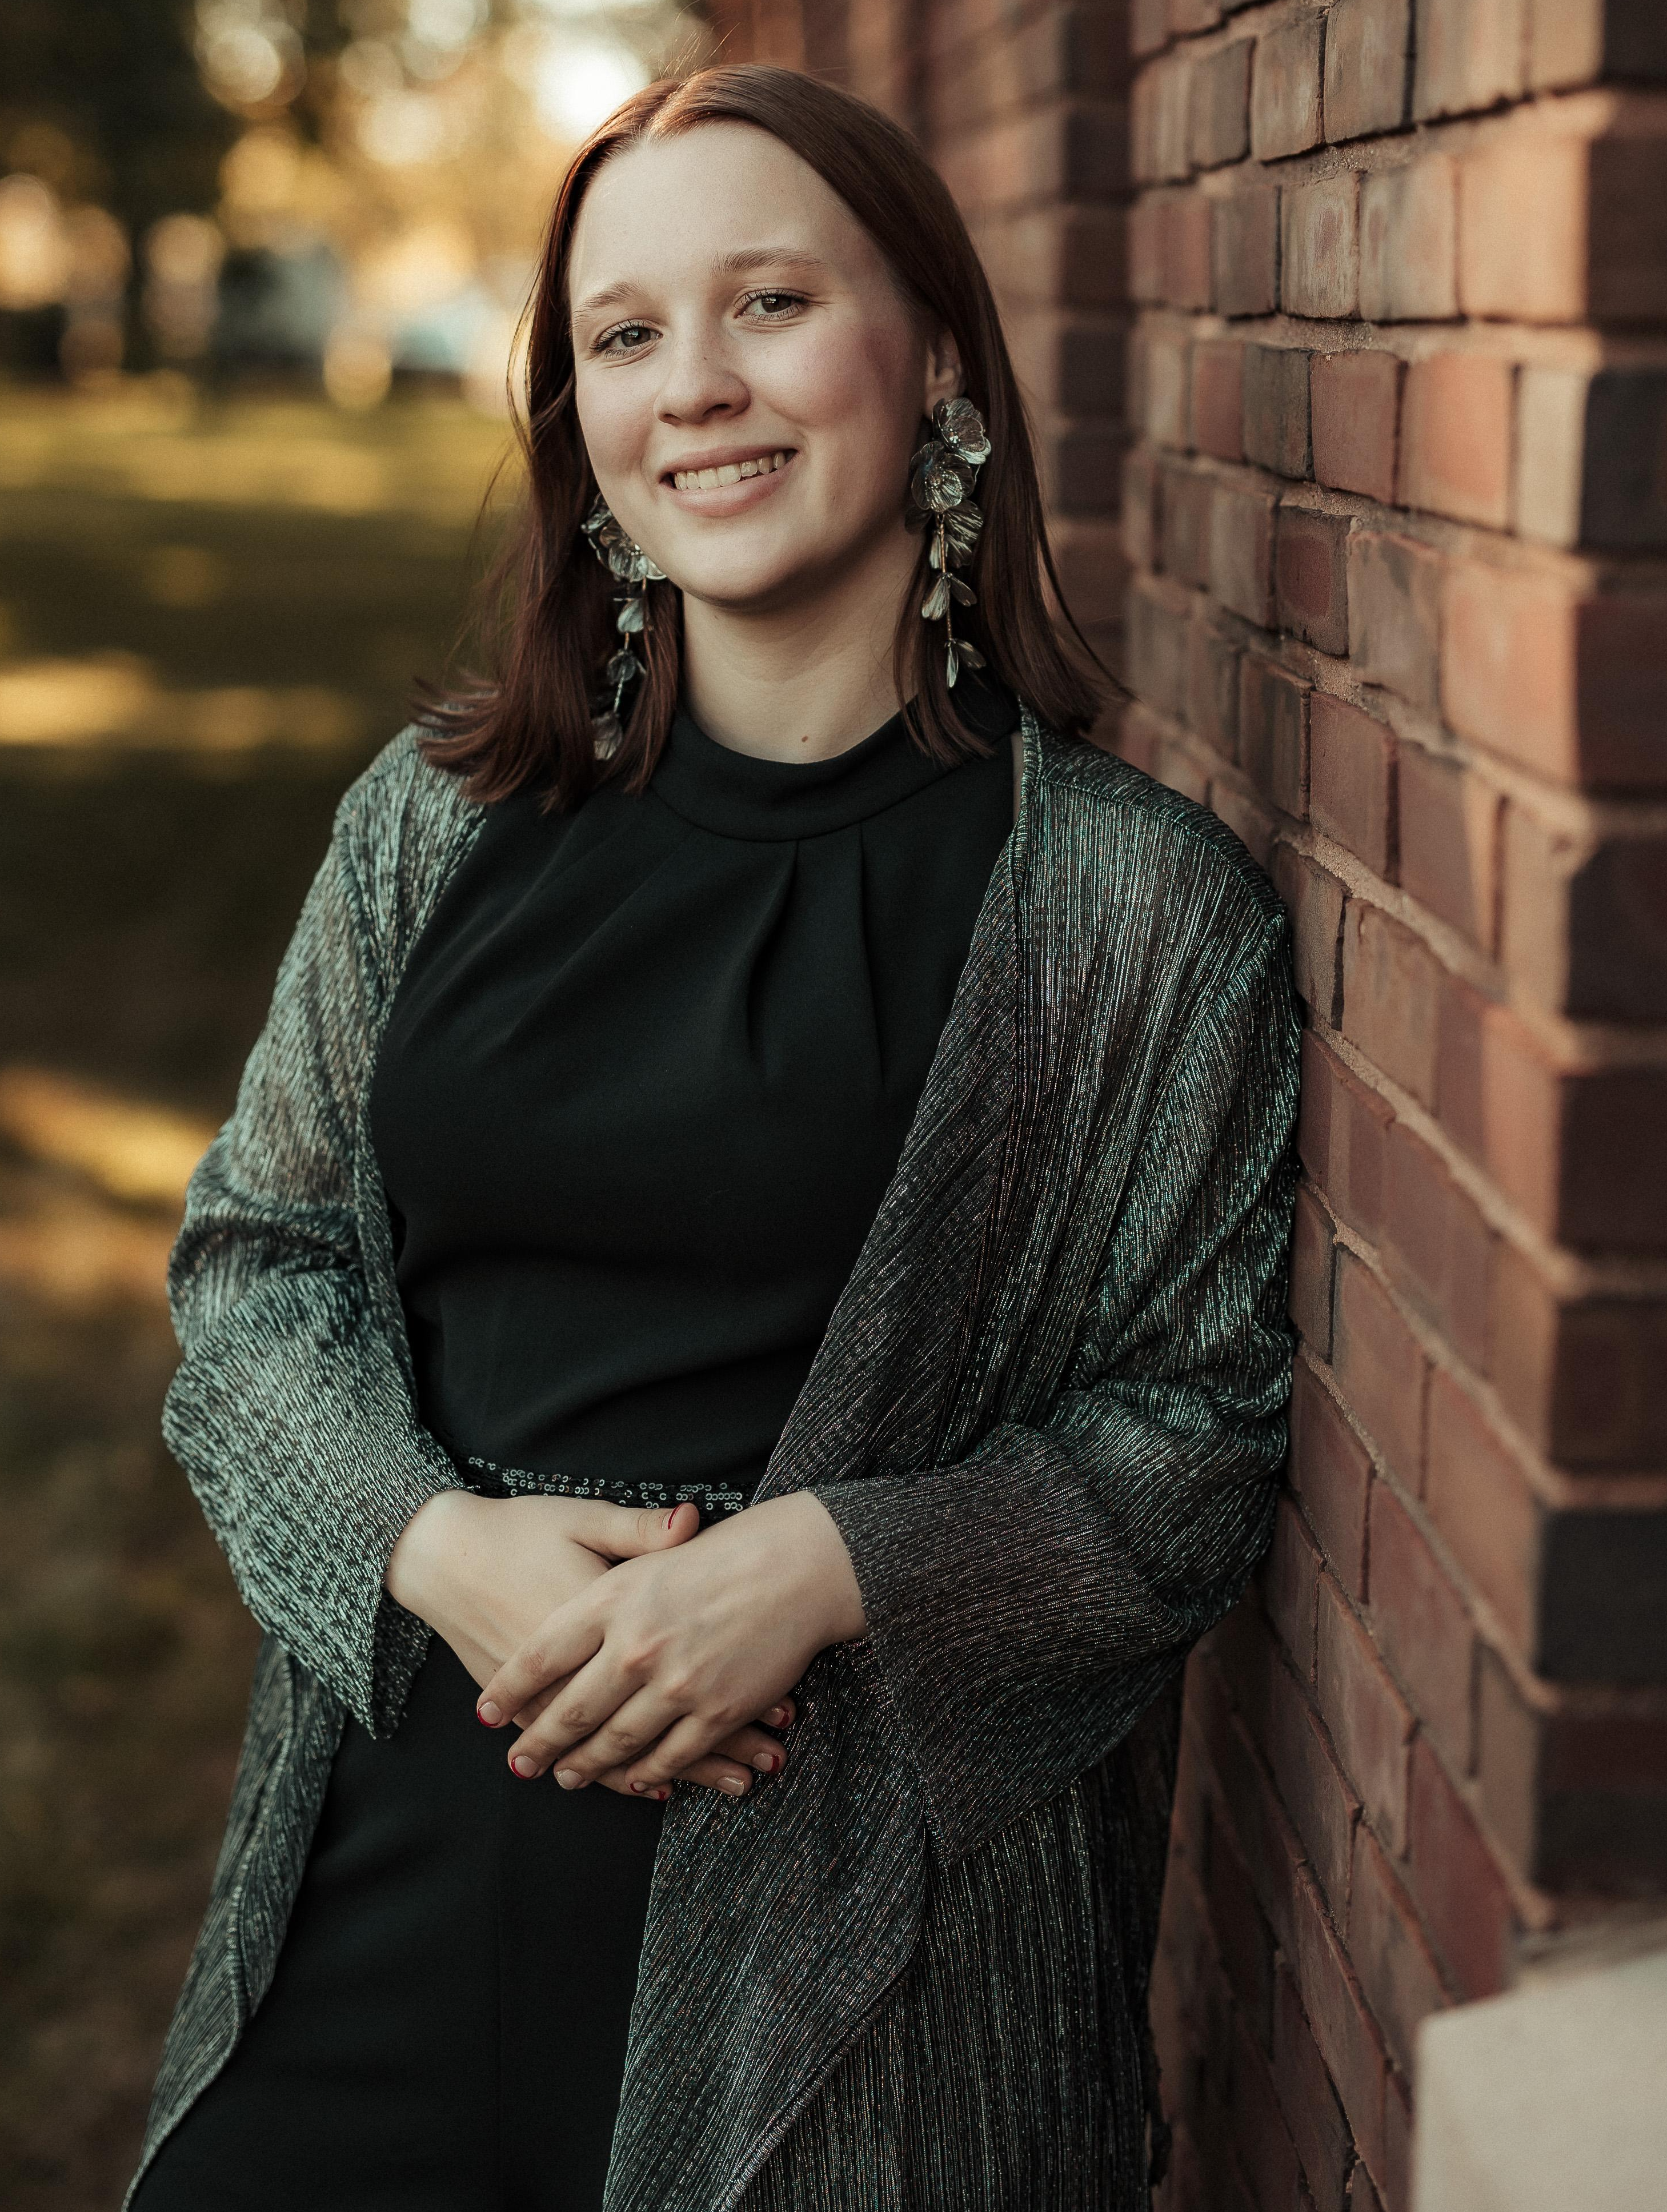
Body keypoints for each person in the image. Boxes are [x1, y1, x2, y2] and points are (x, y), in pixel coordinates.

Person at [127, 62, 1301, 2212]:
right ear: (576, 427)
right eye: (624, 335)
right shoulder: (434, 832)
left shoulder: (1132, 917)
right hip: (392, 1886)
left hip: (862, 2012)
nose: (695, 391)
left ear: (933, 353)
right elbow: (256, 1264)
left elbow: (1196, 1439)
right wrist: (427, 1544)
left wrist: (823, 1571)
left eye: (768, 303)